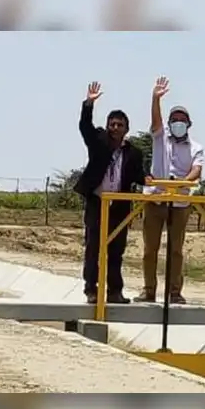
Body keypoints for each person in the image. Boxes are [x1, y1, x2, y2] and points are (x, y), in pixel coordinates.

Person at [73, 81, 146, 304]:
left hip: (120, 206)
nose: (115, 128)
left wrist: (150, 180)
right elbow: (84, 126)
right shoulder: (98, 141)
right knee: (93, 248)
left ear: (126, 128)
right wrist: (88, 104)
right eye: (112, 124)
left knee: (116, 251)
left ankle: (115, 292)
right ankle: (91, 290)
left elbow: (139, 176)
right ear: (107, 126)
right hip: (97, 202)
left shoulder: (133, 153)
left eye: (120, 125)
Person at [136, 76, 205, 304]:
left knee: (176, 250)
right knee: (150, 249)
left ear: (189, 124)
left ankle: (175, 292)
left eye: (182, 120)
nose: (178, 123)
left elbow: (197, 170)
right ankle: (148, 290)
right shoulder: (160, 138)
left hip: (180, 203)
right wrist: (155, 99)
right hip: (155, 200)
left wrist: (182, 184)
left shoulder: (196, 147)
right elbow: (155, 122)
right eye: (174, 119)